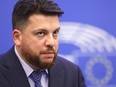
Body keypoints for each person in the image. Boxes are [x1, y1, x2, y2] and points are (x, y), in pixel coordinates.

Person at [0, 0, 86, 87]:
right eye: (41, 33)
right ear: (17, 37)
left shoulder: (73, 74)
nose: (51, 42)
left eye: (55, 32)